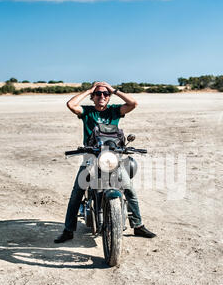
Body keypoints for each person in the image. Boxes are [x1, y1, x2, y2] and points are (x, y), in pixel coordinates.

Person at [54, 81, 156, 243]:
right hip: (91, 158)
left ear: (109, 97)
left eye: (105, 94)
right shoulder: (86, 112)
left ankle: (138, 225)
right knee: (77, 192)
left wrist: (113, 90)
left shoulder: (115, 111)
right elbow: (71, 104)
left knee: (129, 189)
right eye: (98, 94)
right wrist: (89, 90)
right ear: (93, 97)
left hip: (113, 158)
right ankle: (68, 230)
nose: (102, 96)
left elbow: (133, 103)